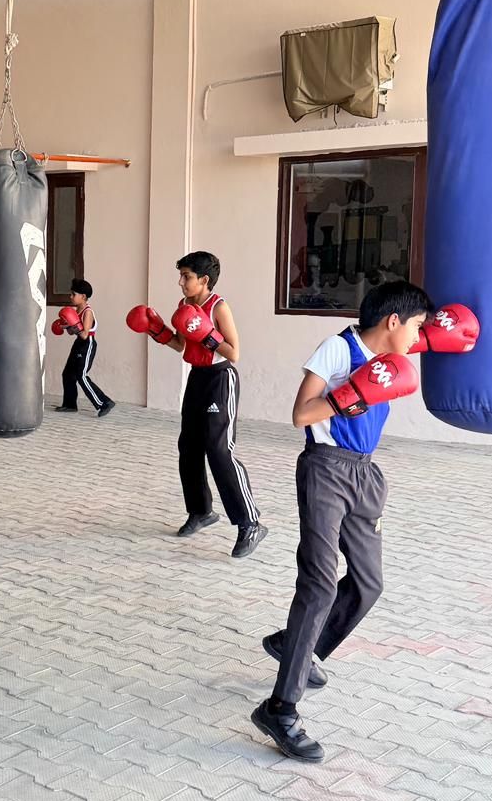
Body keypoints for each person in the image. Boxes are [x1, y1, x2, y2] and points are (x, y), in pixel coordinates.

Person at [250, 280, 436, 764]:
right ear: (392, 321)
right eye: (416, 326)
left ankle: (297, 645)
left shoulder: (390, 358)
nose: (418, 338)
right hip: (326, 469)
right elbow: (300, 414)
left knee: (369, 583)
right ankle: (280, 709)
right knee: (318, 585)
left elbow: (427, 342)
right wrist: (351, 394)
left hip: (365, 473)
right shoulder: (339, 349)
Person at [126, 250, 268, 558]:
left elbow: (234, 352)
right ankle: (201, 511)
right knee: (189, 446)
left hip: (220, 379)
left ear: (204, 280)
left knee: (219, 449)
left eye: (186, 276)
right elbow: (181, 344)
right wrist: (156, 329)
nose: (181, 282)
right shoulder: (184, 307)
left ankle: (250, 522)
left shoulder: (219, 306)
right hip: (197, 377)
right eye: (181, 276)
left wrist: (206, 333)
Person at [52, 277, 114, 416]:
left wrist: (74, 325)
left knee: (81, 376)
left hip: (88, 344)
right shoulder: (75, 311)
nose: (71, 296)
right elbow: (72, 332)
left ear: (83, 296)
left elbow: (85, 334)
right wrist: (64, 326)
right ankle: (69, 405)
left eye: (73, 294)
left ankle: (104, 402)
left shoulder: (88, 312)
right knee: (67, 374)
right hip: (78, 343)